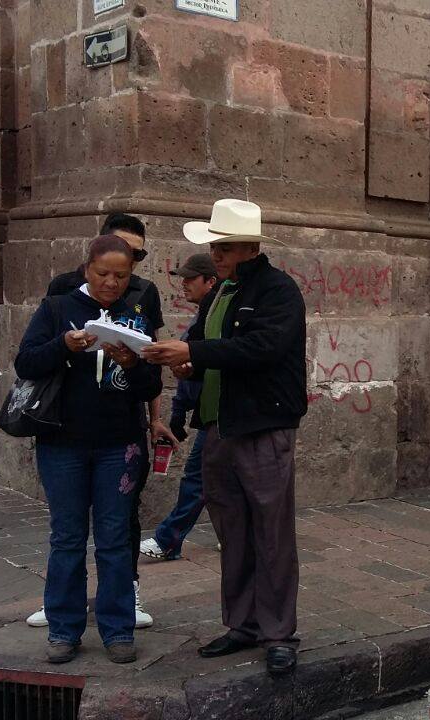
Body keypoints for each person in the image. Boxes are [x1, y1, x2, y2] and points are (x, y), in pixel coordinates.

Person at [142, 199, 306, 677]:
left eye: (224, 246)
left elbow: (264, 347)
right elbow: (214, 347)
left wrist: (193, 349)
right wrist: (190, 362)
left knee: (271, 533)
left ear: (248, 247)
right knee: (231, 530)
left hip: (261, 424)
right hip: (218, 426)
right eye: (215, 244)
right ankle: (243, 623)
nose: (215, 252)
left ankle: (278, 632)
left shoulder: (278, 290)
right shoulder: (220, 294)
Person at [14, 235, 163, 665]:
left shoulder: (136, 312)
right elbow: (26, 362)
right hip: (63, 442)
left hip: (119, 443)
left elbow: (151, 385)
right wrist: (64, 344)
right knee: (67, 536)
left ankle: (117, 628)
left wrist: (134, 364)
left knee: (115, 538)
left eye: (121, 276)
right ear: (87, 270)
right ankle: (64, 628)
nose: (112, 284)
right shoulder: (58, 308)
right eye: (103, 275)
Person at [139, 254, 218, 561]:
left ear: (210, 282)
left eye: (190, 279)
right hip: (209, 412)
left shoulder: (213, 315)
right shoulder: (203, 316)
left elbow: (198, 369)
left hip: (218, 413)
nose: (183, 285)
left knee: (198, 479)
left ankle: (169, 539)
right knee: (218, 481)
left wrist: (178, 413)